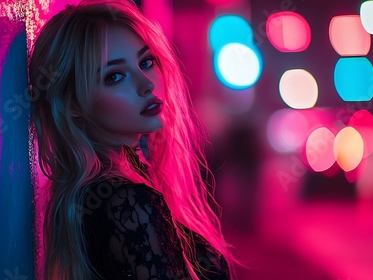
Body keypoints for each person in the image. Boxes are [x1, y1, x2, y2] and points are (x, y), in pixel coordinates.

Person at [29, 0, 235, 279]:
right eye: (115, 76)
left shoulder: (101, 187)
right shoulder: (126, 199)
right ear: (73, 104)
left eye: (146, 62)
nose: (146, 83)